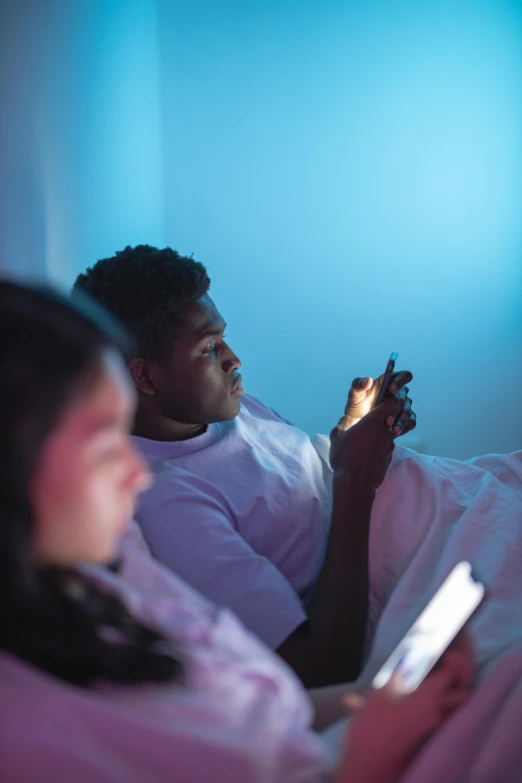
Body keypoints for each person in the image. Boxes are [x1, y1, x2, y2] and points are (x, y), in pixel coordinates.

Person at [0, 279, 474, 783]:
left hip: (436, 510)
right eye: (105, 448)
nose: (136, 474)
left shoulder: (111, 576)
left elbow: (268, 708)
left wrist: (377, 701)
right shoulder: (33, 727)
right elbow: (301, 684)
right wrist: (373, 741)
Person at [73, 244, 415, 686]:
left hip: (444, 502)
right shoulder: (170, 503)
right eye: (209, 347)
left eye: (223, 337)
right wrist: (355, 482)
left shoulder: (221, 406)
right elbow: (322, 666)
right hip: (417, 561)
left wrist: (351, 436)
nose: (233, 358)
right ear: (145, 376)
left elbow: (296, 484)